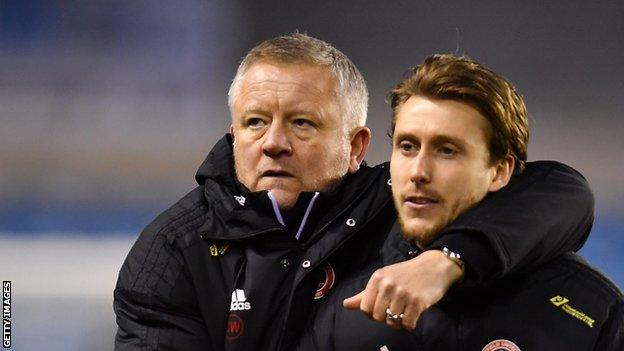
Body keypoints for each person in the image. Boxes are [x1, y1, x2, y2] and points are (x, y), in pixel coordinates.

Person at [113, 34, 594, 351]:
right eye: (255, 122)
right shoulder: (172, 251)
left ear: (355, 146)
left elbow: (560, 192)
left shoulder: (399, 199)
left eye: (302, 123)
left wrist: (445, 259)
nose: (274, 143)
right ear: (234, 134)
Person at [296, 54, 623, 350]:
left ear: (499, 172)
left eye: (447, 150)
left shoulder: (591, 311)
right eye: (408, 146)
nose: (419, 172)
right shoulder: (346, 309)